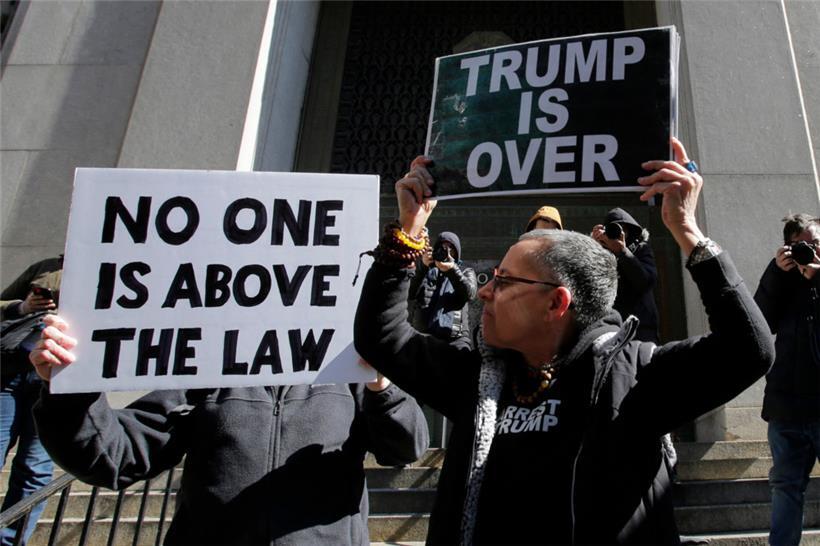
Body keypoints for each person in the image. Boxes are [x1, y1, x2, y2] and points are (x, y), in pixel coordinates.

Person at [354, 138, 774, 544]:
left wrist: (685, 229)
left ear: (556, 302)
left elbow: (748, 350)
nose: (484, 291)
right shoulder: (475, 374)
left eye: (503, 281)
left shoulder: (635, 379)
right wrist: (408, 229)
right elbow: (381, 336)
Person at [27, 320, 428, 545]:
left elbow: (407, 446)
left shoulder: (348, 379)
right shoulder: (208, 373)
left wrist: (381, 385)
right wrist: (69, 395)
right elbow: (118, 457)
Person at [754, 213, 820, 546]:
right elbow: (757, 325)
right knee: (785, 488)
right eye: (801, 246)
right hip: (787, 409)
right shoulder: (782, 282)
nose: (809, 252)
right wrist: (774, 274)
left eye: (815, 244)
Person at [0, 255, 62, 546]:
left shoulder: (116, 269)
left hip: (59, 378)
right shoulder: (44, 268)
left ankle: (9, 540)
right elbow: (3, 304)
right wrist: (23, 307)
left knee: (35, 466)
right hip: (12, 372)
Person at [591, 208, 660, 343]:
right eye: (614, 230)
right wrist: (593, 245)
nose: (619, 234)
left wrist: (623, 252)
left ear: (629, 232)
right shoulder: (600, 252)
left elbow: (646, 281)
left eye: (623, 230)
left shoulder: (640, 249)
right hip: (610, 328)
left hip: (641, 326)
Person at [409, 231, 477, 347]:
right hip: (424, 336)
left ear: (457, 252)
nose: (446, 252)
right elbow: (409, 293)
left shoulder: (465, 271)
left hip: (455, 338)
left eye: (451, 248)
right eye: (442, 248)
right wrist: (423, 267)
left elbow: (469, 294)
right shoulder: (426, 270)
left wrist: (452, 270)